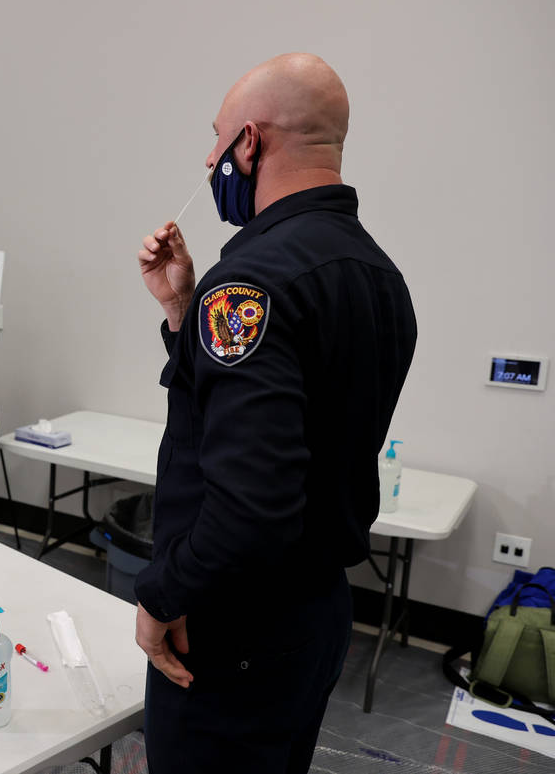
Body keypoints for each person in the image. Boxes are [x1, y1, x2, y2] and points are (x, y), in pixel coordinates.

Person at [133, 53, 417, 772]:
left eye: (218, 139)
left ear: (250, 143)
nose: (210, 158)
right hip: (315, 615)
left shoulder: (252, 282)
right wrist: (181, 310)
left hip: (232, 628)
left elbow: (250, 506)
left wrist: (158, 597)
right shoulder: (379, 275)